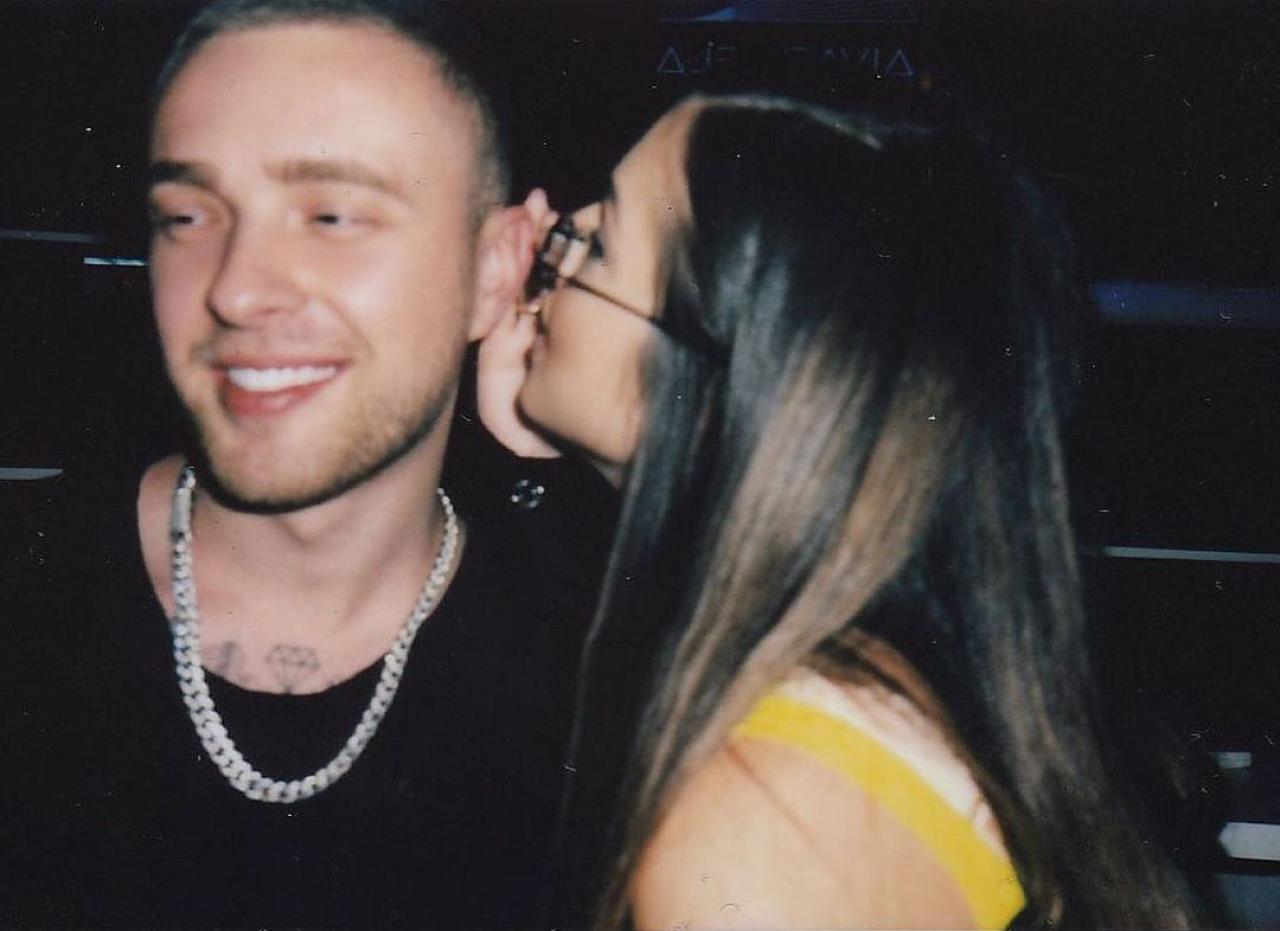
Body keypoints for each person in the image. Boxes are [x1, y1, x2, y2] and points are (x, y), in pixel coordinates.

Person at [480, 94, 1214, 928]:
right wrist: (531, 474)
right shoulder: (877, 685)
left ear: (727, 385)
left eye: (602, 242)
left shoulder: (761, 828)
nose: (549, 241)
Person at [1, 1, 613, 926]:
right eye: (186, 215)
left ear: (496, 271)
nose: (236, 289)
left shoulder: (616, 676)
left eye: (331, 215)